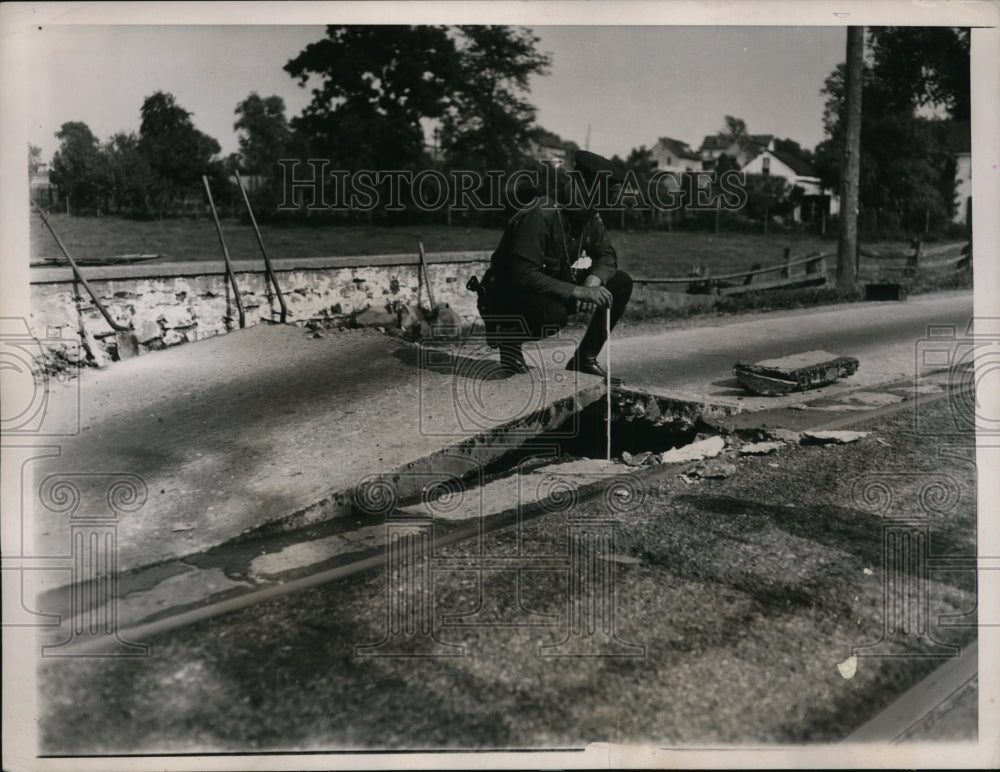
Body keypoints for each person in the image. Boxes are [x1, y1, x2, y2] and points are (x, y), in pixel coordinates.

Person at [480, 150, 633, 377]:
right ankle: (508, 336)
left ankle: (584, 359)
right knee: (553, 315)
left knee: (620, 282)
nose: (598, 207)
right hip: (506, 293)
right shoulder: (540, 213)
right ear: (578, 187)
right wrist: (577, 291)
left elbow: (607, 254)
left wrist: (593, 281)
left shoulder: (587, 216)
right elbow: (521, 275)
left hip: (544, 285)